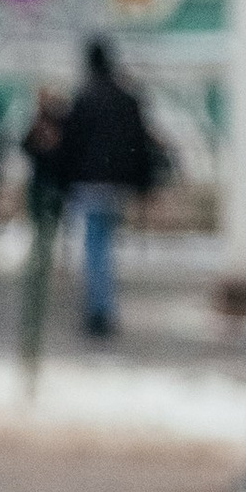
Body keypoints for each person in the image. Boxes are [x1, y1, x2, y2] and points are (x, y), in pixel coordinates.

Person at [56, 37, 165, 339]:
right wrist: (144, 183)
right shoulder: (126, 99)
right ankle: (102, 305)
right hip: (117, 184)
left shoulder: (83, 98)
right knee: (103, 245)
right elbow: (139, 145)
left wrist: (64, 181)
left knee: (94, 247)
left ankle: (98, 309)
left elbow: (70, 145)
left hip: (88, 183)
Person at [17, 84, 69, 381]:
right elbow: (26, 147)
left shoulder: (60, 124)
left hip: (48, 186)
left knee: (48, 230)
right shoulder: (39, 125)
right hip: (44, 187)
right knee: (43, 230)